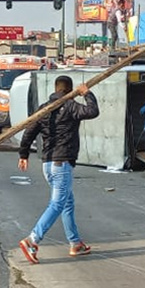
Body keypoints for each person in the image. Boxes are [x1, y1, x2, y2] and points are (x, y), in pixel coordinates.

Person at [18, 76, 99, 264]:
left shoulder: (44, 108)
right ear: (70, 90)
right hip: (61, 163)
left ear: (55, 89)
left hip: (48, 163)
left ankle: (75, 242)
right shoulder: (70, 106)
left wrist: (24, 154)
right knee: (57, 204)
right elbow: (93, 111)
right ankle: (32, 240)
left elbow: (29, 131)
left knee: (66, 202)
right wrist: (87, 93)